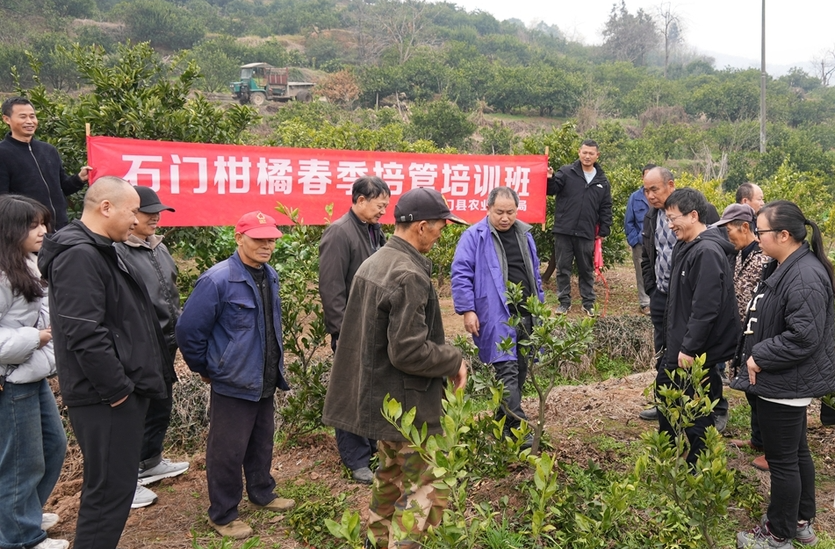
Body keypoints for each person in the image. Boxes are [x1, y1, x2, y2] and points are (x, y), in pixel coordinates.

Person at [322, 187, 468, 549]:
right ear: (421, 226)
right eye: (439, 226)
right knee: (427, 489)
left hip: (383, 401)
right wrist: (452, 359)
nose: (441, 233)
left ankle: (378, 540)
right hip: (409, 406)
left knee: (390, 478)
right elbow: (408, 351)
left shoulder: (376, 261)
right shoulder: (408, 274)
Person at [38, 176, 168, 549]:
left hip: (113, 393)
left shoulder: (100, 249)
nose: (135, 219)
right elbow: (84, 332)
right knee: (109, 492)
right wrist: (118, 392)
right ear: (105, 207)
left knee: (114, 487)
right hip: (104, 397)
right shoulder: (80, 255)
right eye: (131, 211)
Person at [176, 211, 295, 540]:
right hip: (233, 381)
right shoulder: (218, 279)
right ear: (238, 237)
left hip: (264, 378)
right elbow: (188, 331)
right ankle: (224, 513)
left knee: (261, 442)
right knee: (227, 451)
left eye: (271, 238)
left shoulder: (268, 274)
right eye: (259, 238)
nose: (267, 245)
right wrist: (208, 368)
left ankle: (262, 491)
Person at [732, 201, 835, 549]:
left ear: (784, 234)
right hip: (785, 380)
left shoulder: (804, 274)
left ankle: (778, 534)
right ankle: (801, 522)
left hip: (784, 381)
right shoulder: (789, 265)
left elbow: (804, 335)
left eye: (761, 232)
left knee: (783, 460)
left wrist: (759, 356)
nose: (757, 238)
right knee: (795, 453)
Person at [0, 195, 68, 549]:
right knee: (20, 463)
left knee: (53, 446)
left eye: (43, 223)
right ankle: (20, 537)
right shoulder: (2, 273)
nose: (43, 231)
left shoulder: (27, 264)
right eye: (33, 225)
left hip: (30, 374)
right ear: (11, 229)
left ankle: (21, 513)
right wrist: (36, 337)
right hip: (11, 380)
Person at [451, 186, 544, 445]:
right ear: (488, 209)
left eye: (510, 212)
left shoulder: (525, 234)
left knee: (522, 370)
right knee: (507, 370)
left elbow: (534, 273)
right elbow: (461, 274)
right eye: (499, 212)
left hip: (526, 315)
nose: (505, 218)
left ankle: (503, 425)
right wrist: (468, 310)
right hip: (495, 314)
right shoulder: (474, 236)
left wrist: (540, 305)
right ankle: (518, 427)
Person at [115, 186, 189, 509]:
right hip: (141, 342)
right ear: (132, 215)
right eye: (149, 212)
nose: (156, 218)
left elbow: (170, 290)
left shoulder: (159, 247)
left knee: (161, 403)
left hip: (167, 340)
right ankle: (123, 482)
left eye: (159, 212)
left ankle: (150, 461)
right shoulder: (119, 251)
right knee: (135, 411)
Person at [657, 188, 739, 467]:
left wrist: (689, 347)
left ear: (693, 215)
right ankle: (671, 454)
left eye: (673, 218)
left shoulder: (706, 252)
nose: (670, 225)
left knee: (693, 406)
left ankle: (697, 463)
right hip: (682, 342)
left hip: (695, 349)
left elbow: (705, 308)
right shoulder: (688, 245)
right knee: (672, 397)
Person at [318, 176, 390, 485]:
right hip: (351, 331)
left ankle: (372, 448)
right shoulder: (339, 233)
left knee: (372, 390)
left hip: (375, 327)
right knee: (351, 393)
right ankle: (355, 458)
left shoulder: (375, 231)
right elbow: (331, 289)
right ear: (360, 200)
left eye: (385, 206)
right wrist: (342, 332)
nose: (382, 211)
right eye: (378, 205)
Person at [637, 167, 721, 422]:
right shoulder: (652, 216)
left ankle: (714, 407)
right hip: (663, 296)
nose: (649, 195)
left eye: (655, 189)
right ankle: (667, 401)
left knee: (700, 356)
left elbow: (716, 258)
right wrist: (652, 289)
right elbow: (647, 255)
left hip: (690, 298)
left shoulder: (701, 212)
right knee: (664, 349)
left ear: (670, 185)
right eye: (646, 190)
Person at [713, 204, 771, 472]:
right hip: (742, 332)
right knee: (750, 389)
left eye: (729, 229)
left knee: (763, 391)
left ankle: (773, 449)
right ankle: (759, 439)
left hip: (760, 332)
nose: (728, 235)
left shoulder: (764, 258)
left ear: (745, 227)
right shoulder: (738, 255)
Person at [0, 97, 91, 230]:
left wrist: (79, 179)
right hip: (28, 230)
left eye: (32, 116)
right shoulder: (3, 153)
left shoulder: (48, 150)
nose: (29, 121)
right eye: (23, 117)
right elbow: (3, 200)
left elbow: (63, 187)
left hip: (60, 227)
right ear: (6, 119)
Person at [546, 139, 612, 316]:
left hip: (586, 231)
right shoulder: (566, 172)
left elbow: (606, 207)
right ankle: (564, 302)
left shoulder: (602, 181)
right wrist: (550, 178)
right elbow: (552, 189)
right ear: (579, 152)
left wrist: (604, 230)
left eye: (591, 153)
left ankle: (588, 303)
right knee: (563, 268)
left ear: (597, 155)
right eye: (585, 152)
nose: (587, 156)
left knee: (586, 269)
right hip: (564, 230)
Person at [624, 164, 654, 315]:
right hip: (641, 243)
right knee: (642, 272)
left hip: (658, 242)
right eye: (646, 176)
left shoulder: (663, 197)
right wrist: (634, 239)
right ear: (642, 178)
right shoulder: (635, 197)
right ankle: (645, 302)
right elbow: (629, 221)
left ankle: (657, 300)